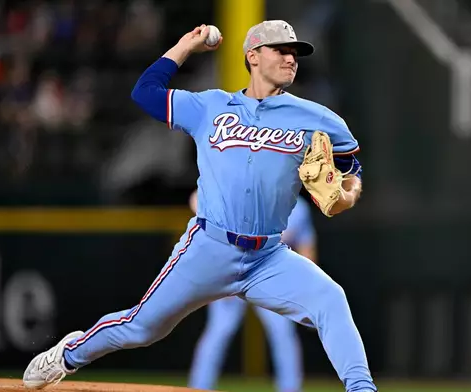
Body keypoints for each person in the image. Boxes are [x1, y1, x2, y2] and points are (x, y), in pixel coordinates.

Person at [23, 20, 377, 392]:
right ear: (252, 56)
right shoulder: (210, 106)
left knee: (331, 299)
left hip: (269, 257)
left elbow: (352, 168)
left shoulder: (318, 118)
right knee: (142, 327)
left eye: (295, 53)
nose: (292, 58)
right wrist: (185, 45)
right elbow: (145, 93)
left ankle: (362, 389)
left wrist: (349, 194)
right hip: (210, 247)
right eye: (282, 50)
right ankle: (68, 356)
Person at [187, 191, 316, 392]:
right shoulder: (246, 192)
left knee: (282, 333)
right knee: (218, 331)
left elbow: (306, 247)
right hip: (234, 272)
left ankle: (290, 389)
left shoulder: (298, 208)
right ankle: (198, 388)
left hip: (270, 279)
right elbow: (197, 199)